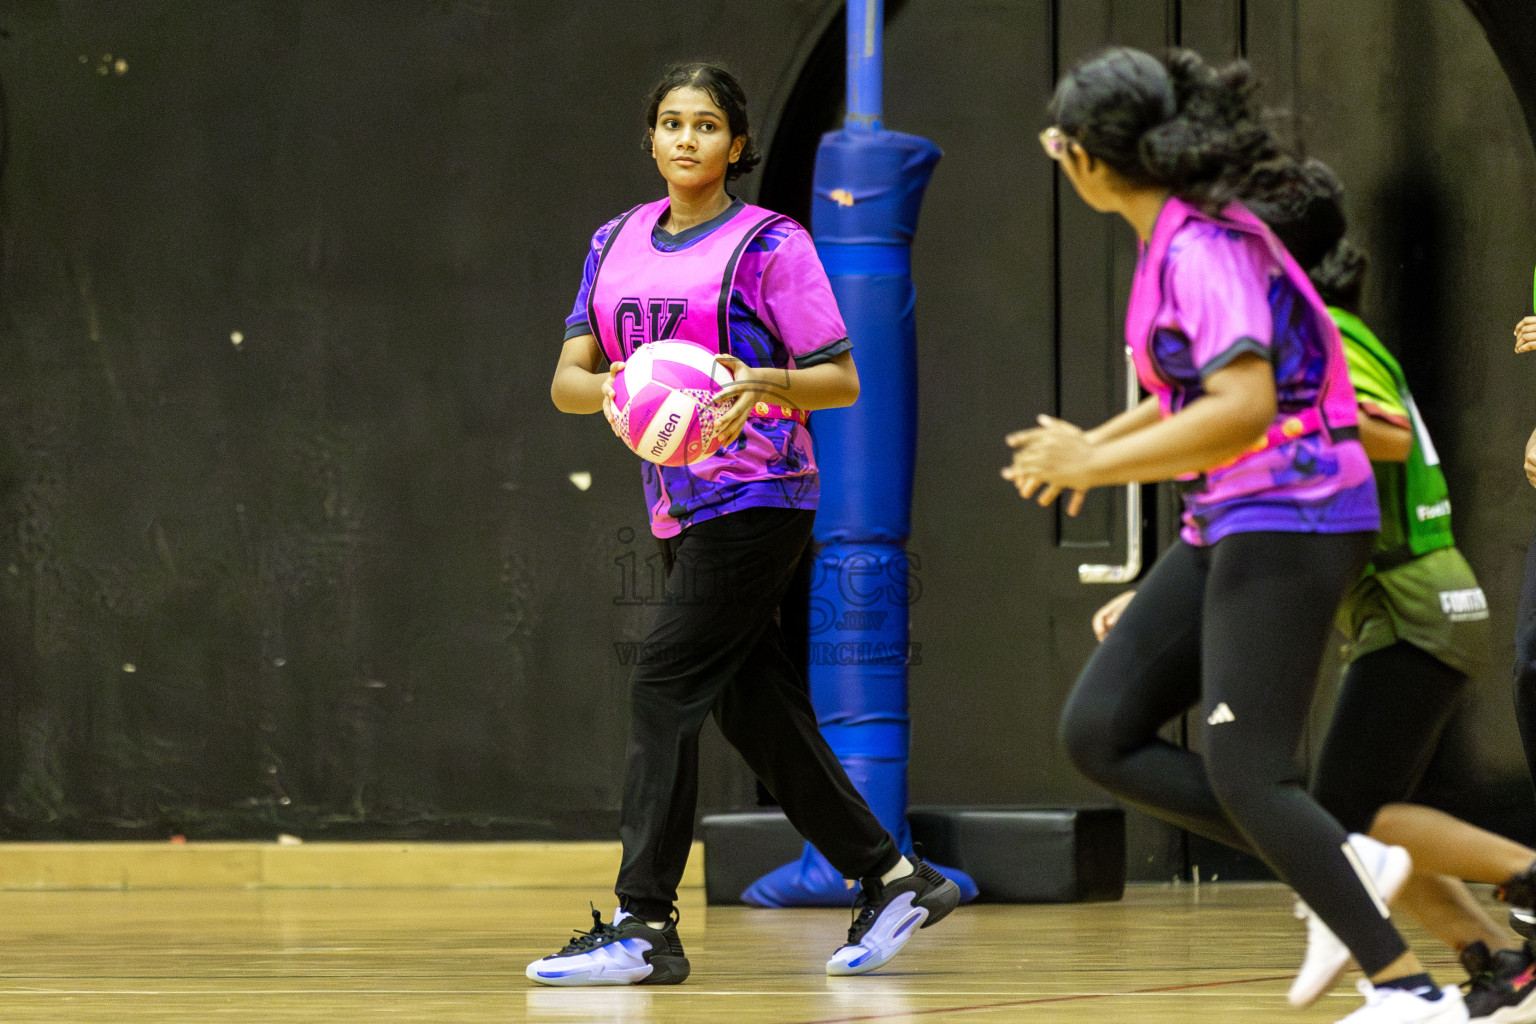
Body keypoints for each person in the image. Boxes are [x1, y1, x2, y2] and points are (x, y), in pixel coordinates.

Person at [1007, 47, 1466, 1023]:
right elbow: (1180, 394)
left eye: (1056, 143)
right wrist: (1090, 443)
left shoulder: (1205, 248)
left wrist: (1092, 466)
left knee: (1250, 772)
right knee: (1100, 730)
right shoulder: (1173, 235)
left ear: (1087, 155)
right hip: (1237, 514)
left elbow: (1243, 404)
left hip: (1294, 511)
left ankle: (1407, 987)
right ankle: (1345, 853)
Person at [528, 61, 958, 987]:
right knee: (751, 706)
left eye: (708, 125)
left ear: (737, 144)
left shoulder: (771, 244)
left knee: (662, 684)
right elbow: (569, 381)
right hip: (675, 499)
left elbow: (839, 379)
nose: (688, 139)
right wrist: (624, 387)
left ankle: (645, 925)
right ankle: (894, 877)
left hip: (761, 493)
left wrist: (763, 382)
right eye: (672, 122)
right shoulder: (614, 241)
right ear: (650, 137)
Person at [1095, 157, 1536, 1022]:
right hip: (1413, 609)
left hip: (1417, 602)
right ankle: (1495, 957)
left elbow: (1384, 436)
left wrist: (1262, 420)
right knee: (1348, 824)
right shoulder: (1297, 337)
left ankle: (1515, 896)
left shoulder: (1320, 338)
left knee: (1341, 823)